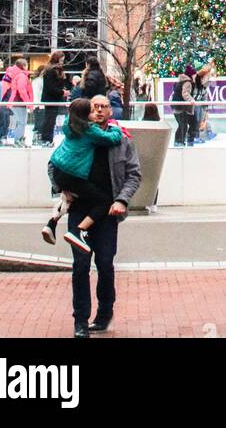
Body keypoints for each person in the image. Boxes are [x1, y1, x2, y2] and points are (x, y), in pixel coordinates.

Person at [49, 94, 141, 338]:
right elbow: (54, 164)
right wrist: (61, 188)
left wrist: (122, 200)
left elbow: (134, 174)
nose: (99, 111)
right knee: (80, 266)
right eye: (95, 107)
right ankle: (80, 320)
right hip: (80, 209)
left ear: (111, 111)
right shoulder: (78, 133)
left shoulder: (121, 140)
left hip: (107, 212)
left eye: (104, 107)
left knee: (105, 264)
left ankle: (103, 314)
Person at [41, 96, 123, 253]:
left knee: (69, 197)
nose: (96, 113)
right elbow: (112, 138)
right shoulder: (90, 130)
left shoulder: (69, 125)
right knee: (105, 201)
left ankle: (51, 223)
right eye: (92, 110)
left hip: (57, 167)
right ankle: (78, 230)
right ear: (86, 115)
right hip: (72, 173)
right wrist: (115, 128)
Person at [39, 51, 69, 147]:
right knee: (50, 119)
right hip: (52, 99)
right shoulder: (52, 71)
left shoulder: (51, 70)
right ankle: (46, 139)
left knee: (50, 119)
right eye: (61, 60)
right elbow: (51, 87)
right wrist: (62, 92)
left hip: (52, 98)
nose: (62, 62)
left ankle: (47, 138)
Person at [5, 57, 34, 147]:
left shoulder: (18, 75)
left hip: (17, 101)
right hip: (19, 102)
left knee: (21, 121)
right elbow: (21, 90)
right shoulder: (22, 76)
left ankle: (19, 139)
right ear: (23, 66)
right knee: (22, 122)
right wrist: (28, 102)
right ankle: (18, 140)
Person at [171, 65, 196, 146]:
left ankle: (178, 140)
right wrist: (191, 100)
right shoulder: (187, 82)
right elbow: (185, 93)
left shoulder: (179, 82)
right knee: (183, 125)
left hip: (176, 106)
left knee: (181, 124)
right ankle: (179, 141)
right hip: (181, 107)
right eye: (194, 75)